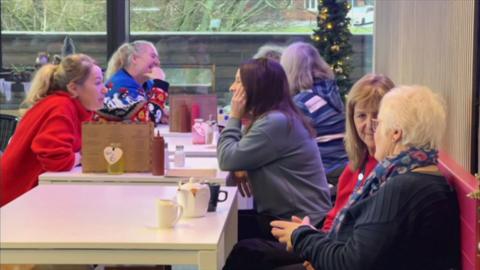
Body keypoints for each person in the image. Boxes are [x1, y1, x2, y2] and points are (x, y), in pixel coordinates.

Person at [271, 85, 459, 270]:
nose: (373, 130)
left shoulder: (403, 187)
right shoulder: (419, 175)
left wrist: (302, 237)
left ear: (395, 133)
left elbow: (351, 263)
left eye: (378, 123)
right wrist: (311, 237)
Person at [221, 74, 395, 270]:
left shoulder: (388, 173)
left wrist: (317, 250)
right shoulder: (354, 167)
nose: (369, 125)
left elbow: (226, 158)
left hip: (330, 248)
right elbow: (334, 219)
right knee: (245, 248)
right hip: (318, 238)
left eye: (377, 116)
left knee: (248, 252)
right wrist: (316, 243)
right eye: (362, 116)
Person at [217, 58, 331, 241]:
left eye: (238, 81)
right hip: (288, 219)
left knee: (226, 236)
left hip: (301, 226)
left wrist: (234, 116)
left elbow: (226, 158)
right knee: (222, 226)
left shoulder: (275, 122)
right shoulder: (275, 117)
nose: (232, 88)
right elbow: (236, 156)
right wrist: (244, 164)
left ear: (256, 88)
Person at [0, 54, 106, 206]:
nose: (104, 89)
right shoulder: (61, 107)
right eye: (98, 83)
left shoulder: (67, 106)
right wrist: (82, 156)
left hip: (25, 196)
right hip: (14, 202)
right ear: (74, 88)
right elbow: (57, 161)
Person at [280, 42, 348, 187]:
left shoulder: (302, 102)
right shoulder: (330, 93)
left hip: (324, 172)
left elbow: (282, 144)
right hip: (343, 167)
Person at [96, 40, 169, 126]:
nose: (158, 62)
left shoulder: (148, 83)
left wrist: (163, 114)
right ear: (134, 58)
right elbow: (148, 121)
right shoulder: (120, 86)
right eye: (153, 56)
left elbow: (152, 112)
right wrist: (160, 85)